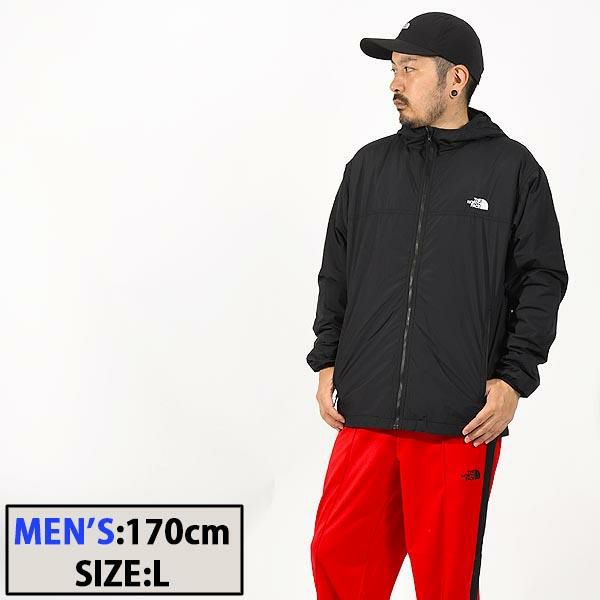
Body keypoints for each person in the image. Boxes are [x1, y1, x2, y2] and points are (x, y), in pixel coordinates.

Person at [306, 11, 569, 600]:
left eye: (409, 68)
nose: (394, 82)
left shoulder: (512, 170)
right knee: (338, 562)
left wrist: (513, 379)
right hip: (365, 410)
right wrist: (327, 359)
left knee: (445, 584)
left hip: (458, 421)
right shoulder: (368, 166)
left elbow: (542, 279)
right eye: (393, 69)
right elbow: (336, 271)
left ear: (456, 79)